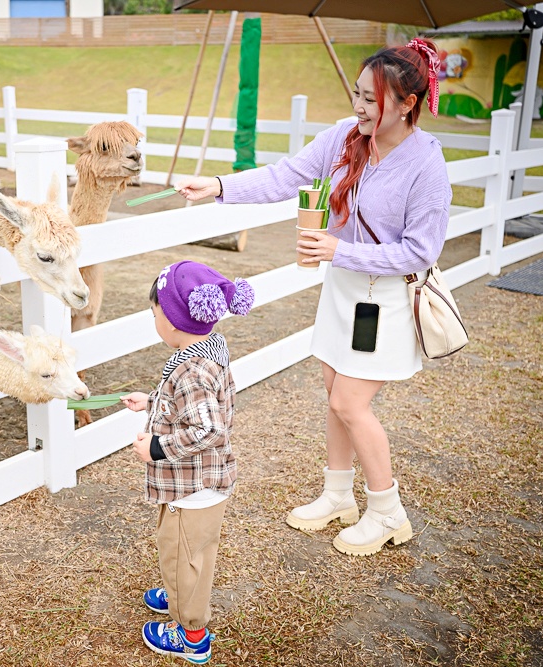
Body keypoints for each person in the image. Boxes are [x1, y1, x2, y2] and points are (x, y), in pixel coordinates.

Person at [174, 39, 452, 557]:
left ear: (408, 103)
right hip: (342, 289)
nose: (359, 107)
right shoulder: (345, 138)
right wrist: (218, 186)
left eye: (372, 99)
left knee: (351, 402)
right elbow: (286, 176)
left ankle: (388, 512)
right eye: (357, 94)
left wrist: (337, 250)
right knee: (333, 396)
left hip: (385, 299)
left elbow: (420, 252)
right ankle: (338, 495)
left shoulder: (426, 165)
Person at [121, 260, 254, 664]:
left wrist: (156, 448)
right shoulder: (207, 349)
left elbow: (207, 428)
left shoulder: (191, 371)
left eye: (155, 312)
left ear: (174, 321)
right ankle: (178, 587)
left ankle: (190, 632)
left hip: (193, 486)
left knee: (186, 555)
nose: (154, 318)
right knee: (182, 547)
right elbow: (196, 403)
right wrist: (153, 400)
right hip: (195, 482)